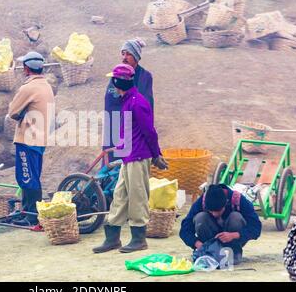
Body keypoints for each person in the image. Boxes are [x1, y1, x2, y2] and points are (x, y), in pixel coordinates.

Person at [93, 64, 168, 254]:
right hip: (128, 156)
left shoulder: (137, 102)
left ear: (119, 82)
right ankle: (112, 238)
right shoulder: (127, 100)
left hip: (138, 156)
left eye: (114, 80)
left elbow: (149, 132)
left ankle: (139, 239)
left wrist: (156, 154)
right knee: (120, 197)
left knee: (137, 197)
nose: (113, 84)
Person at [8, 51, 55, 227]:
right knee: (32, 176)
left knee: (26, 177)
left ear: (27, 68)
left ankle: (32, 215)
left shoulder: (28, 88)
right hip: (40, 139)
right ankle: (28, 211)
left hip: (28, 139)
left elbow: (12, 111)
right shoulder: (46, 86)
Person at [179, 184, 262, 264]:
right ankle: (208, 253)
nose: (215, 214)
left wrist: (234, 235)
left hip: (232, 239)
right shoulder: (201, 202)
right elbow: (185, 230)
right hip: (209, 241)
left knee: (235, 217)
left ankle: (234, 252)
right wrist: (197, 244)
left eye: (218, 211)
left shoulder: (239, 200)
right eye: (211, 212)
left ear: (226, 203)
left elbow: (256, 227)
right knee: (200, 217)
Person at [103, 38, 154, 163]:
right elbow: (110, 98)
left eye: (129, 54)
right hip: (116, 123)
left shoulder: (145, 76)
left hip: (135, 126)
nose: (124, 57)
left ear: (136, 57)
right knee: (112, 161)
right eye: (123, 53)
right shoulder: (117, 73)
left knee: (132, 162)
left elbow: (147, 103)